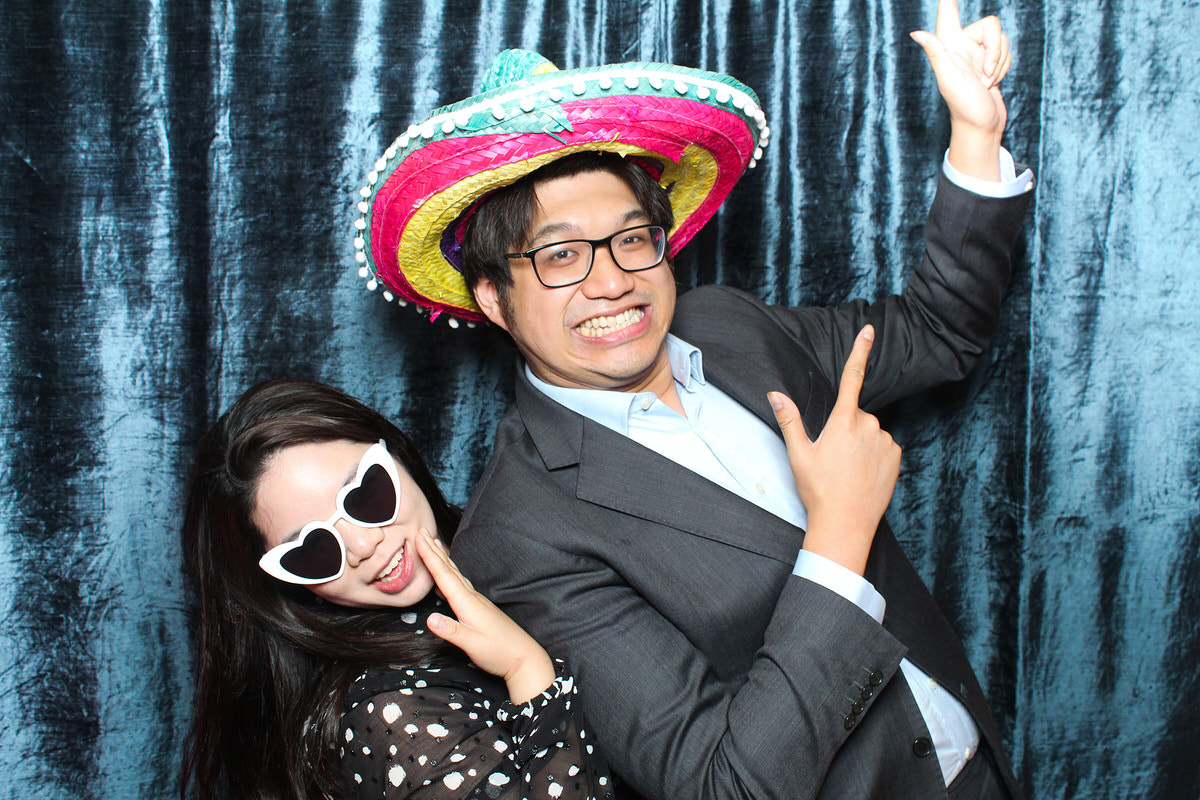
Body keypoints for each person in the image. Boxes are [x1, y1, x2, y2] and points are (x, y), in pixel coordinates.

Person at [353, 2, 1033, 798]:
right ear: (494, 299)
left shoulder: (730, 326)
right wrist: (841, 535)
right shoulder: (519, 538)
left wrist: (975, 137)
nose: (611, 281)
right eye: (561, 255)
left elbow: (934, 332)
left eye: (632, 238)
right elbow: (723, 786)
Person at [178, 379, 615, 800]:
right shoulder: (392, 715)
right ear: (286, 585)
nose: (365, 546)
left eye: (364, 493)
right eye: (312, 550)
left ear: (397, 454)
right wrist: (527, 670)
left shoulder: (519, 534)